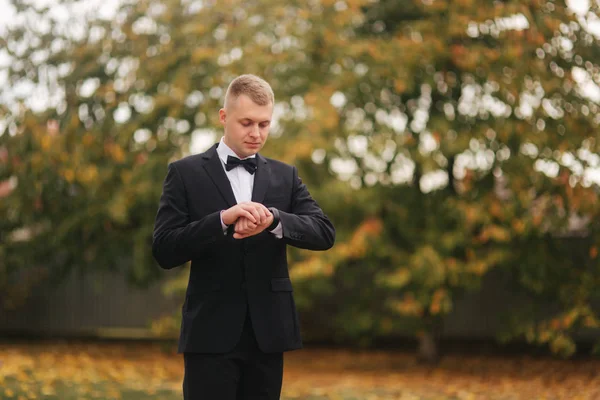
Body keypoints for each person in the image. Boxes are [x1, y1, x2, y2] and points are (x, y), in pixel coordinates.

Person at [152, 74, 335, 399]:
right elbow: (165, 249)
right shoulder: (184, 173)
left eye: (264, 124)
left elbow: (324, 232)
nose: (256, 133)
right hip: (209, 334)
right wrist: (221, 220)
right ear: (224, 117)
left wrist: (275, 220)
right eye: (247, 122)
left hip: (269, 333)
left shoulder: (285, 175)